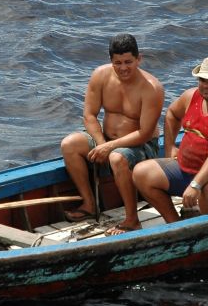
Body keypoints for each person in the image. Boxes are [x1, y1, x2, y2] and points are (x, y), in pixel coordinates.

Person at [60, 33, 165, 234]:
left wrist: (110, 147)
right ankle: (89, 204)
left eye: (128, 62)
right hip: (106, 139)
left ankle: (132, 219)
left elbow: (144, 133)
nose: (123, 68)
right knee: (69, 144)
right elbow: (89, 115)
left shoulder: (151, 88)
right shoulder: (100, 76)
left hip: (140, 145)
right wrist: (101, 143)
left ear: (139, 59)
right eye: (118, 63)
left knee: (117, 157)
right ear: (111, 60)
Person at [132, 56, 208, 224]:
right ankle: (175, 225)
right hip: (188, 170)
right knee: (141, 173)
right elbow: (172, 114)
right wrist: (170, 148)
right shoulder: (190, 96)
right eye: (202, 80)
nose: (205, 85)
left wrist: (196, 185)